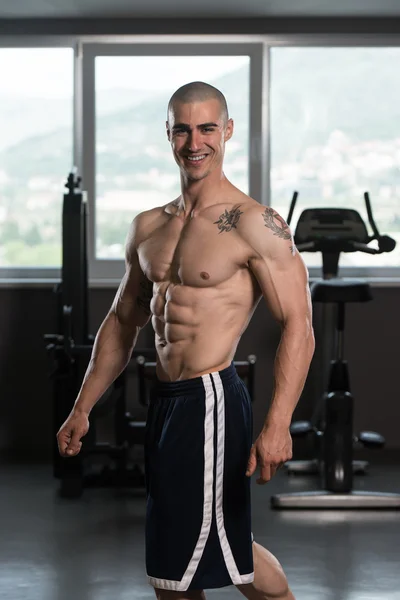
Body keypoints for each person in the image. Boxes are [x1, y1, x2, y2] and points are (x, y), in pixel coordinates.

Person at [57, 81, 315, 600]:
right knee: (189, 547)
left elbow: (299, 326)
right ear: (168, 134)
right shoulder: (148, 226)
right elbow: (123, 319)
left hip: (212, 399)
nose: (194, 141)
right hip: (168, 401)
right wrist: (82, 407)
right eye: (182, 129)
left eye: (206, 128)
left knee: (180, 559)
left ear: (228, 131)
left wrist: (278, 424)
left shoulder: (255, 224)